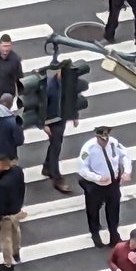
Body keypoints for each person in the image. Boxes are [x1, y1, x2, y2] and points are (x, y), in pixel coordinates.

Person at [77, 125, 132, 248]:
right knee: (93, 210)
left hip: (113, 183)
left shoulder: (113, 143)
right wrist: (98, 178)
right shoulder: (88, 149)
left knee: (114, 208)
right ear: (97, 137)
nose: (105, 141)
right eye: (102, 139)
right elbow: (82, 169)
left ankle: (114, 234)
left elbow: (125, 155)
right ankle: (95, 233)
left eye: (106, 137)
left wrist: (127, 171)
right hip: (96, 186)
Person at [41, 55, 78, 194]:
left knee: (56, 144)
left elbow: (72, 96)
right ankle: (57, 178)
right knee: (56, 147)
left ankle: (47, 167)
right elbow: (43, 105)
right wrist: (43, 124)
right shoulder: (50, 86)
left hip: (61, 117)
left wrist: (74, 115)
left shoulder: (68, 82)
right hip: (52, 120)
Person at [0, 154, 26, 271]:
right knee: (16, 232)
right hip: (17, 209)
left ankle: (8, 264)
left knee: (5, 239)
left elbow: (0, 205)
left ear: (5, 165)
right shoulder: (18, 171)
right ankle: (16, 253)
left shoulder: (3, 184)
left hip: (6, 215)